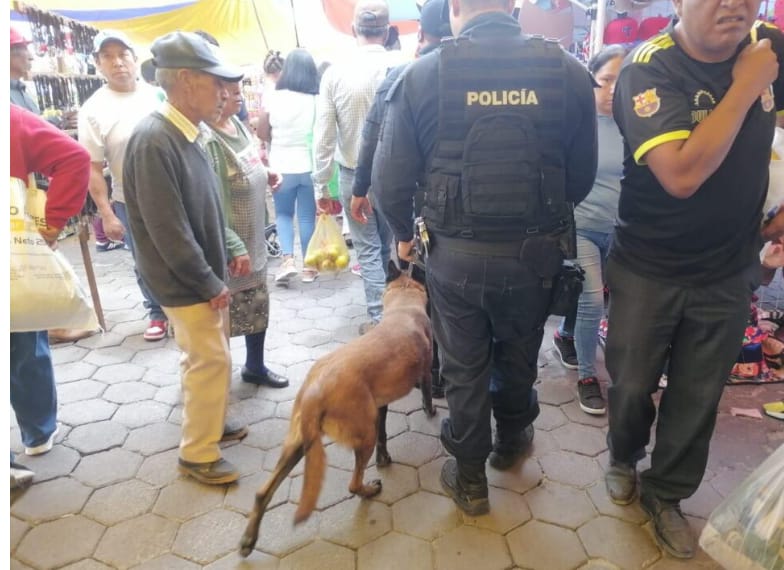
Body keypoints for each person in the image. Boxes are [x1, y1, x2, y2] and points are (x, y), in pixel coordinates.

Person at [374, 0, 597, 516]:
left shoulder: (421, 75)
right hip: (535, 258)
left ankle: (470, 478)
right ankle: (513, 438)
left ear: (455, 8)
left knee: (463, 367)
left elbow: (390, 180)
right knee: (520, 352)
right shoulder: (567, 70)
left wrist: (403, 236)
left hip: (456, 259)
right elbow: (580, 177)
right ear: (515, 7)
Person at [604, 2, 784, 558]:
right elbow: (681, 174)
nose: (733, 4)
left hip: (728, 269)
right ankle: (622, 453)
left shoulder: (771, 44)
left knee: (698, 394)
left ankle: (667, 492)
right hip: (648, 266)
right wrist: (749, 83)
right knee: (633, 384)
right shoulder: (648, 68)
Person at [123, 31, 248, 485]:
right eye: (215, 83)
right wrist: (207, 281)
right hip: (183, 279)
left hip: (196, 273)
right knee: (210, 360)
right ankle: (197, 453)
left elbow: (203, 206)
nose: (223, 93)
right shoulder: (155, 139)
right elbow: (168, 230)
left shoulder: (185, 131)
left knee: (201, 355)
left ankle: (209, 421)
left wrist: (228, 248)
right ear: (186, 81)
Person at [10, 104, 91, 488]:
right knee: (23, 335)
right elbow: (74, 157)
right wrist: (52, 224)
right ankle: (38, 431)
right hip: (12, 255)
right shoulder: (9, 118)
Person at [312, 0, 405, 335]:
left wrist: (322, 186)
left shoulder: (335, 73)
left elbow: (323, 137)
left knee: (368, 250)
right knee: (393, 244)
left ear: (354, 31)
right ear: (388, 30)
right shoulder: (404, 66)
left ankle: (382, 323)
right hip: (398, 177)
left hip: (354, 178)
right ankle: (397, 315)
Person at [77, 30, 169, 341]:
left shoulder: (159, 95)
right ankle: (157, 311)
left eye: (123, 55)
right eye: (108, 57)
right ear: (98, 64)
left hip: (173, 193)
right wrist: (106, 213)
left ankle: (184, 307)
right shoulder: (92, 109)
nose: (117, 63)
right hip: (129, 200)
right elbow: (92, 167)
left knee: (180, 251)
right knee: (144, 260)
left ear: (134, 58)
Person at [551, 45, 626, 415]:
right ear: (591, 81)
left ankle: (566, 334)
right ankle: (586, 376)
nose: (613, 89)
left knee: (585, 296)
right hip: (580, 227)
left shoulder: (636, 123)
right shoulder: (574, 122)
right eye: (606, 80)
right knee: (594, 300)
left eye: (621, 80)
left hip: (619, 230)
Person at [206, 81, 290, 389]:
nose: (237, 93)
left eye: (238, 87)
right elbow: (210, 201)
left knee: (257, 304)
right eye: (228, 88)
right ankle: (215, 388)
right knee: (222, 318)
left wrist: (265, 174)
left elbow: (249, 163)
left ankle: (255, 366)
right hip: (230, 244)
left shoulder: (236, 127)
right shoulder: (208, 139)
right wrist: (230, 244)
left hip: (252, 239)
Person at [257, 48, 320, 284]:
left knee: (283, 214)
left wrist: (277, 139)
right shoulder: (315, 99)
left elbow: (262, 131)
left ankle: (287, 261)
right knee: (306, 217)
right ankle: (310, 267)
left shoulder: (274, 97)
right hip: (308, 165)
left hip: (281, 166)